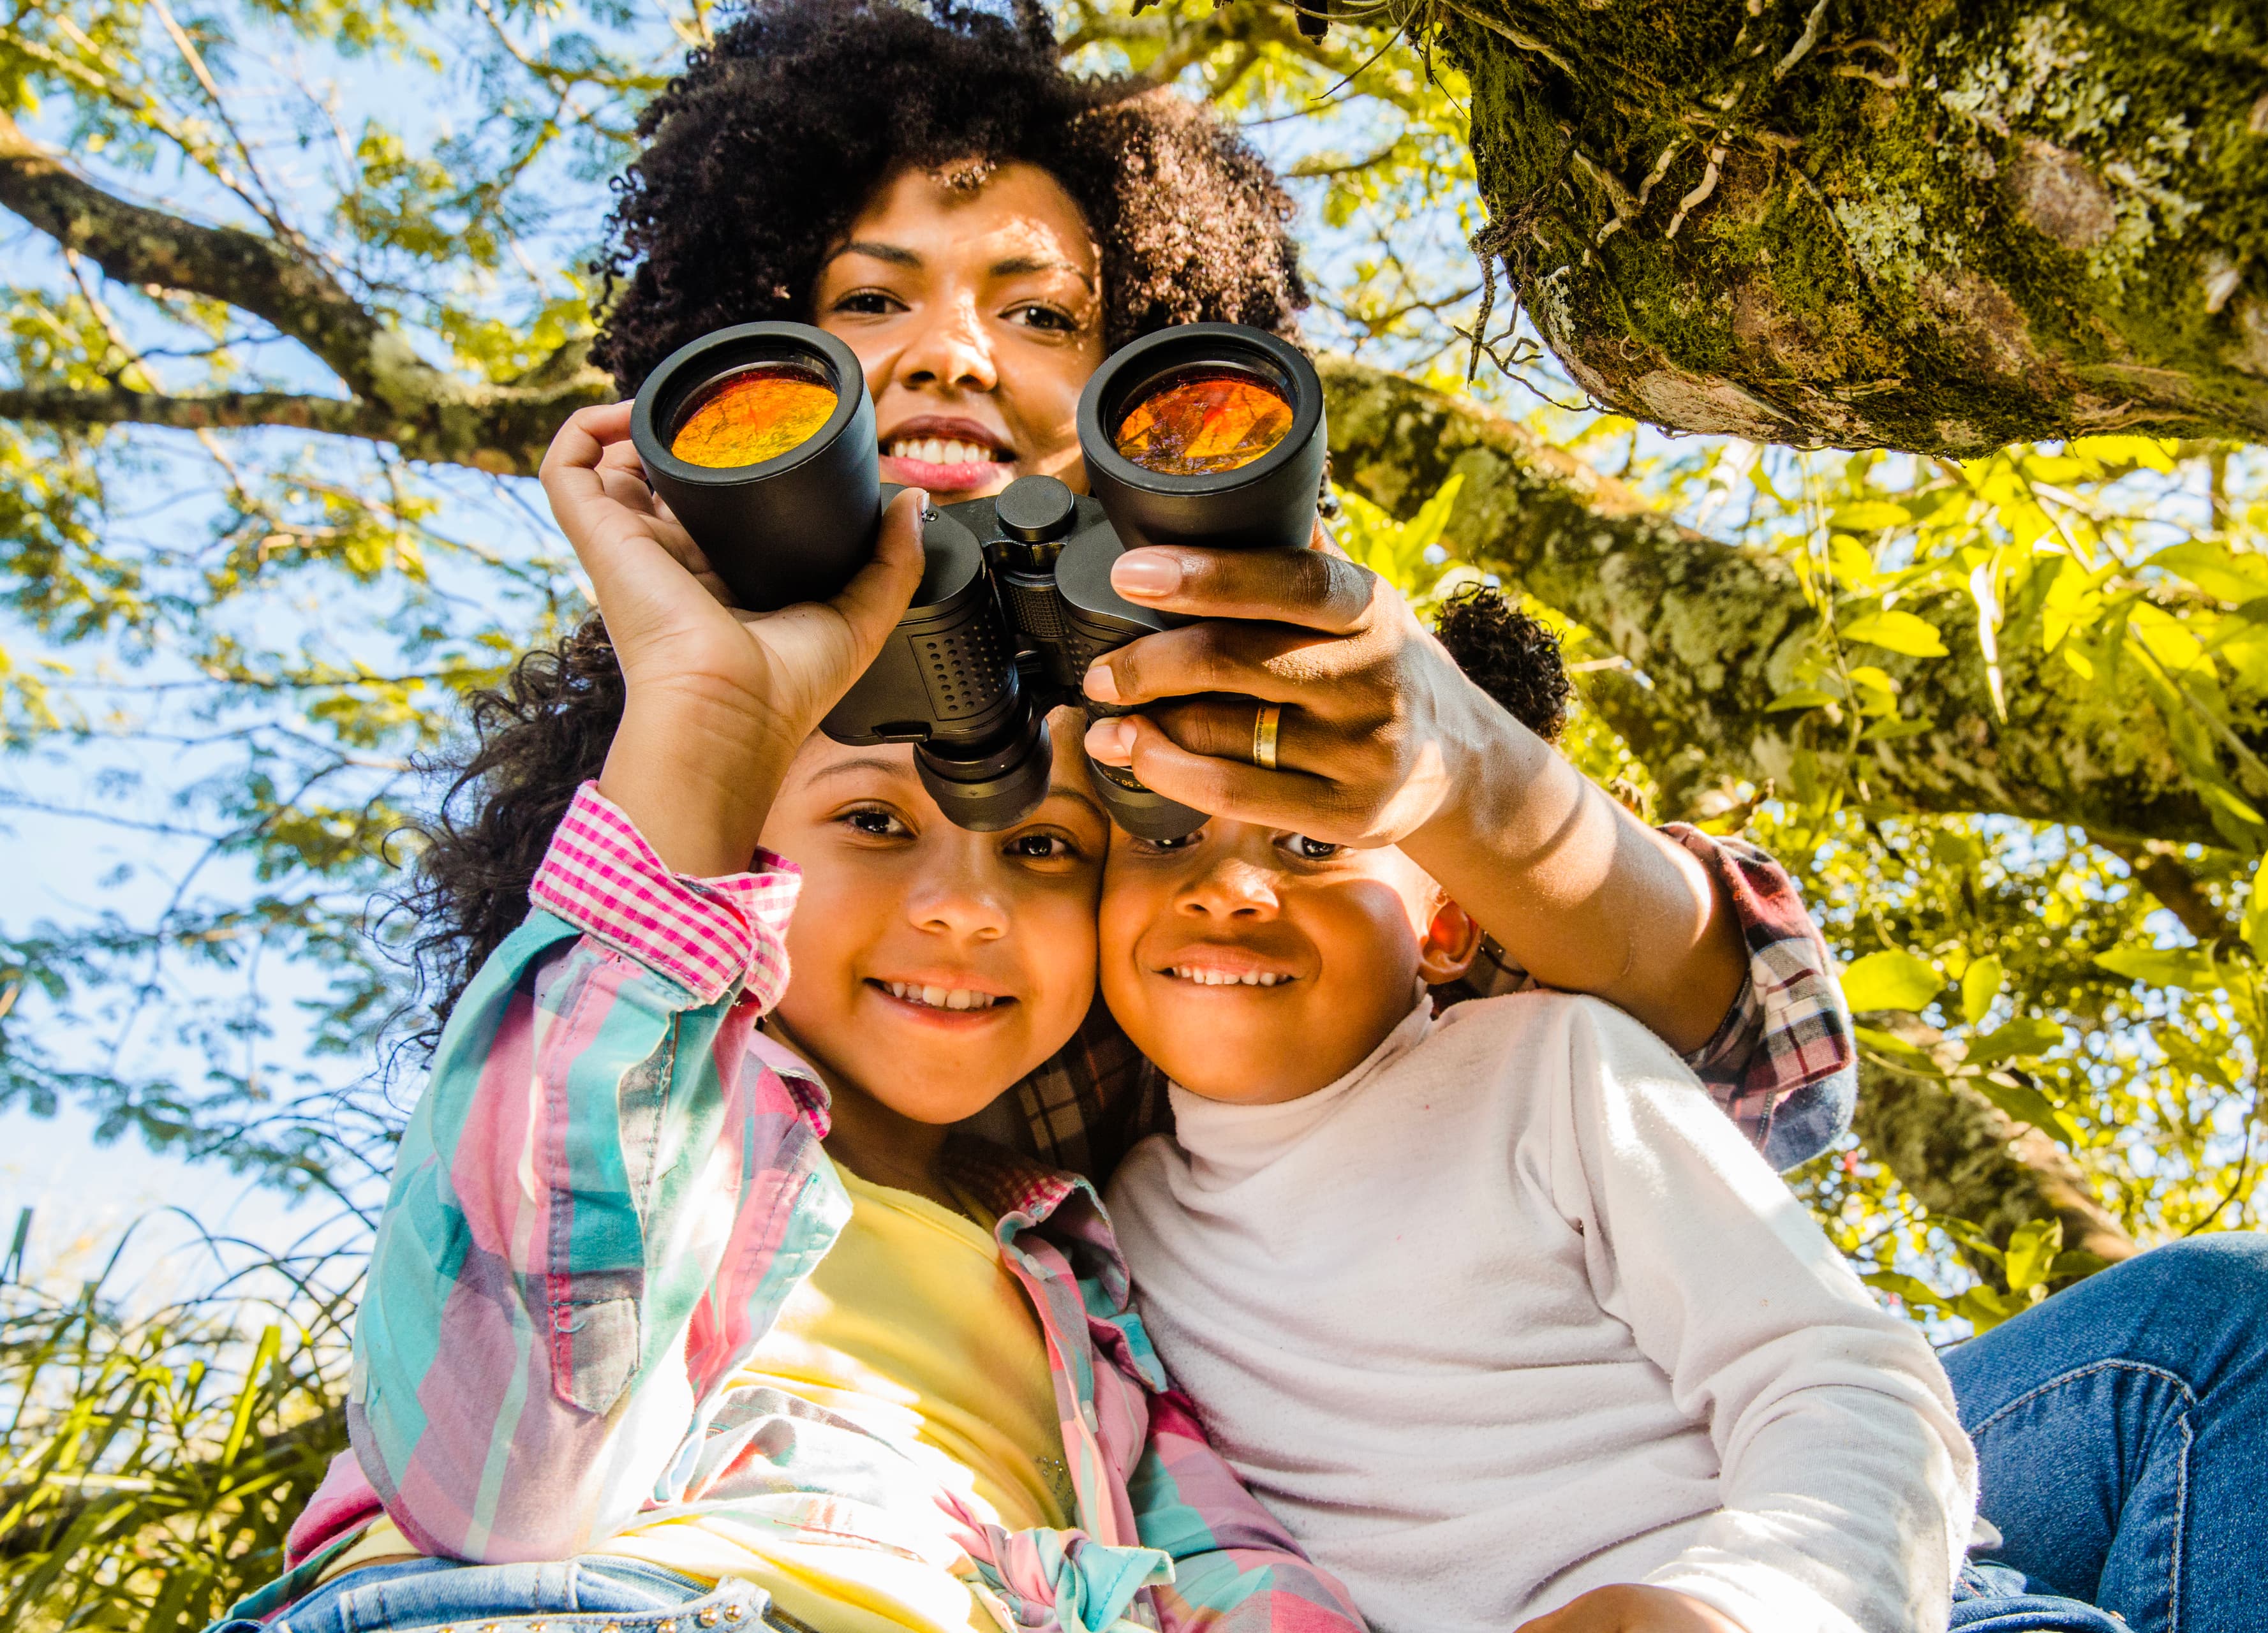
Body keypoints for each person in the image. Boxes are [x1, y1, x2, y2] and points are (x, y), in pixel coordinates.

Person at [208, 7, 1851, 1633]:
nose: (950, 354)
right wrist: (705, 722)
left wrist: (1457, 775)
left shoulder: (1215, 916)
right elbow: (522, 1410)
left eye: (1042, 311)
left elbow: (1746, 1082)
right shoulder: (663, 861)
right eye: (868, 301)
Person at [1097, 644, 1980, 1633]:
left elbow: (1841, 1376)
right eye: (1168, 838)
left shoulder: (1548, 1066)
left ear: (1450, 928)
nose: (1230, 889)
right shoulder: (1106, 1229)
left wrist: (1738, 1609)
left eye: (1311, 848)